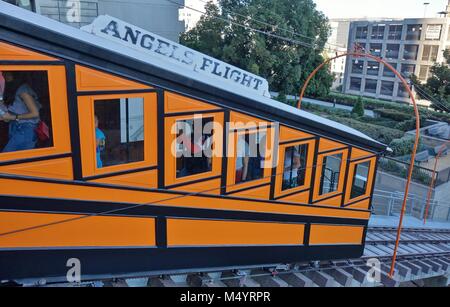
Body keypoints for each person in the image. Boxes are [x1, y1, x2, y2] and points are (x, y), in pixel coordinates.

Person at [0, 71, 41, 152]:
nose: (4, 75)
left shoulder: (23, 90)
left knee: (7, 158)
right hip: (15, 126)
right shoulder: (10, 88)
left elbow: (35, 113)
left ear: (15, 74)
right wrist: (7, 117)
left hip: (26, 129)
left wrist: (13, 117)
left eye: (8, 73)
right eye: (3, 73)